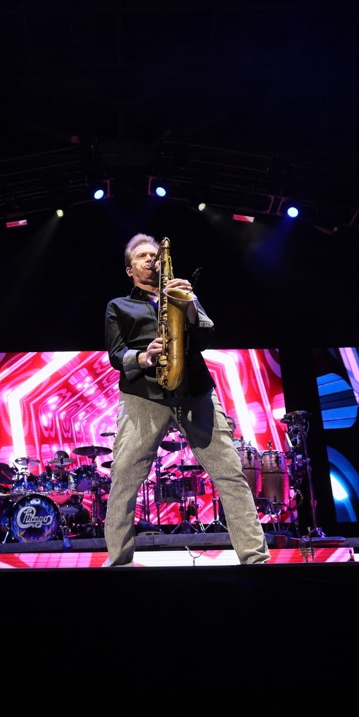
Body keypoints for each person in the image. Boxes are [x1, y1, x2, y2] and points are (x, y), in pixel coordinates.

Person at [102, 233, 270, 566]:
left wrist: (189, 302)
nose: (150, 259)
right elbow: (116, 354)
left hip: (195, 391)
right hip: (143, 395)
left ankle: (255, 560)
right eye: (142, 256)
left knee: (230, 474)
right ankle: (118, 562)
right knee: (124, 479)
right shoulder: (118, 306)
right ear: (129, 269)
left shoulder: (181, 292)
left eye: (154, 254)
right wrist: (144, 357)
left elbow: (205, 336)